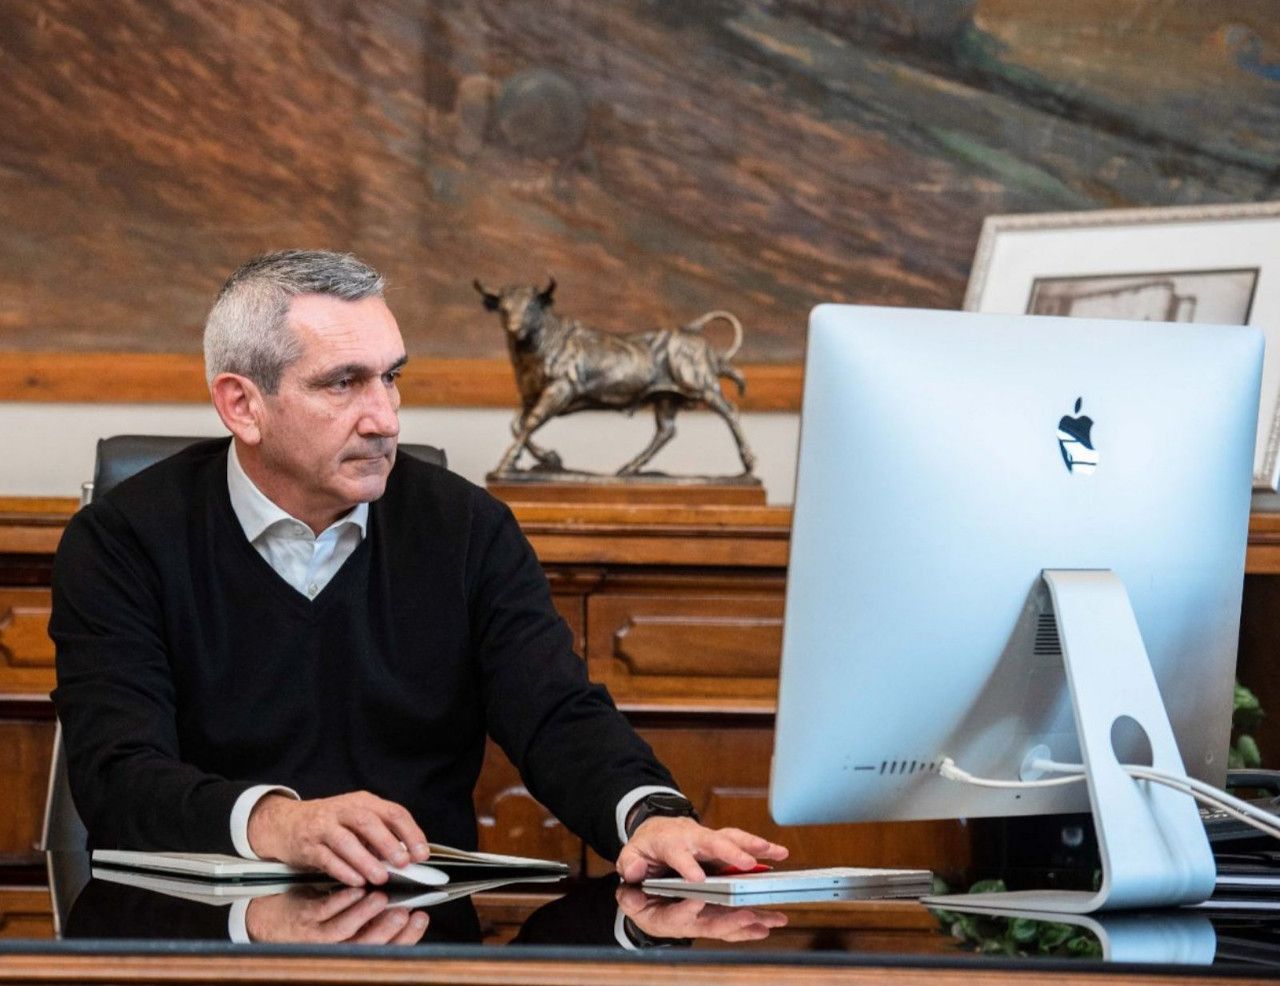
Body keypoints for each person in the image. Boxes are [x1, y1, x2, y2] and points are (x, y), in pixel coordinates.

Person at [50, 250, 788, 896]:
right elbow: (118, 773)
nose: (385, 419)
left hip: (418, 932)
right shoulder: (121, 542)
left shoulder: (468, 530)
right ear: (242, 405)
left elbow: (557, 715)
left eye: (391, 378)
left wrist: (649, 815)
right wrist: (278, 823)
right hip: (187, 943)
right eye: (343, 384)